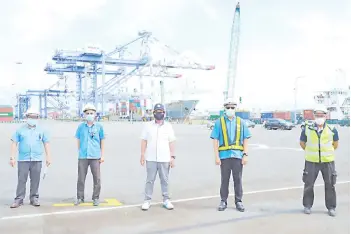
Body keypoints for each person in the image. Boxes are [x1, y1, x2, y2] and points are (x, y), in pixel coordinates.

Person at [210, 98, 251, 212]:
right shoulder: (219, 122)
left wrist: (245, 154)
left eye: (232, 107)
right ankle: (223, 200)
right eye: (228, 108)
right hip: (224, 156)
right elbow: (215, 139)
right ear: (225, 109)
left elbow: (246, 139)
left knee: (238, 179)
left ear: (235, 109)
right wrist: (216, 156)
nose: (230, 109)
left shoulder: (241, 122)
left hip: (237, 156)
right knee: (225, 180)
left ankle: (239, 201)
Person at [300, 105, 339, 216]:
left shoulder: (332, 129)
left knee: (330, 184)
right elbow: (302, 143)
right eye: (317, 116)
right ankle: (307, 205)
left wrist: (325, 153)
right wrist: (312, 152)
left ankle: (331, 207)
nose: (319, 118)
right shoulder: (307, 128)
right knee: (308, 184)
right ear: (314, 116)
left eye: (321, 116)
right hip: (311, 161)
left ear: (325, 116)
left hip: (328, 162)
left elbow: (335, 144)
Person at [10, 108, 51, 208]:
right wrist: (12, 157)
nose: (33, 119)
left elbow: (46, 143)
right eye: (31, 117)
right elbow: (14, 143)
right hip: (23, 159)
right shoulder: (20, 130)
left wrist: (48, 157)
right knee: (21, 180)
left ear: (38, 118)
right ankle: (19, 199)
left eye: (35, 117)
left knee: (35, 180)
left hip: (37, 159)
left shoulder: (42, 130)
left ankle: (34, 198)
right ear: (27, 117)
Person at [140, 103, 176, 211]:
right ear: (153, 113)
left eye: (161, 112)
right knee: (149, 180)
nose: (159, 114)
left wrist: (172, 157)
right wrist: (142, 154)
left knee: (165, 180)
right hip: (151, 158)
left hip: (164, 158)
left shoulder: (168, 126)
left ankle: (166, 200)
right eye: (157, 112)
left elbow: (172, 142)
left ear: (164, 113)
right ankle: (147, 200)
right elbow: (144, 140)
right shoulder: (148, 126)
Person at [75, 104, 105, 206]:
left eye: (91, 113)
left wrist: (102, 155)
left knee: (97, 178)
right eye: (87, 113)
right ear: (84, 115)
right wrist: (80, 151)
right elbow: (78, 140)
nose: (89, 115)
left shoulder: (99, 127)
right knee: (81, 178)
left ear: (95, 114)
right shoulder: (80, 127)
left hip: (95, 156)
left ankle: (96, 198)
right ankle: (80, 197)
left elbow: (102, 141)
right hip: (83, 156)